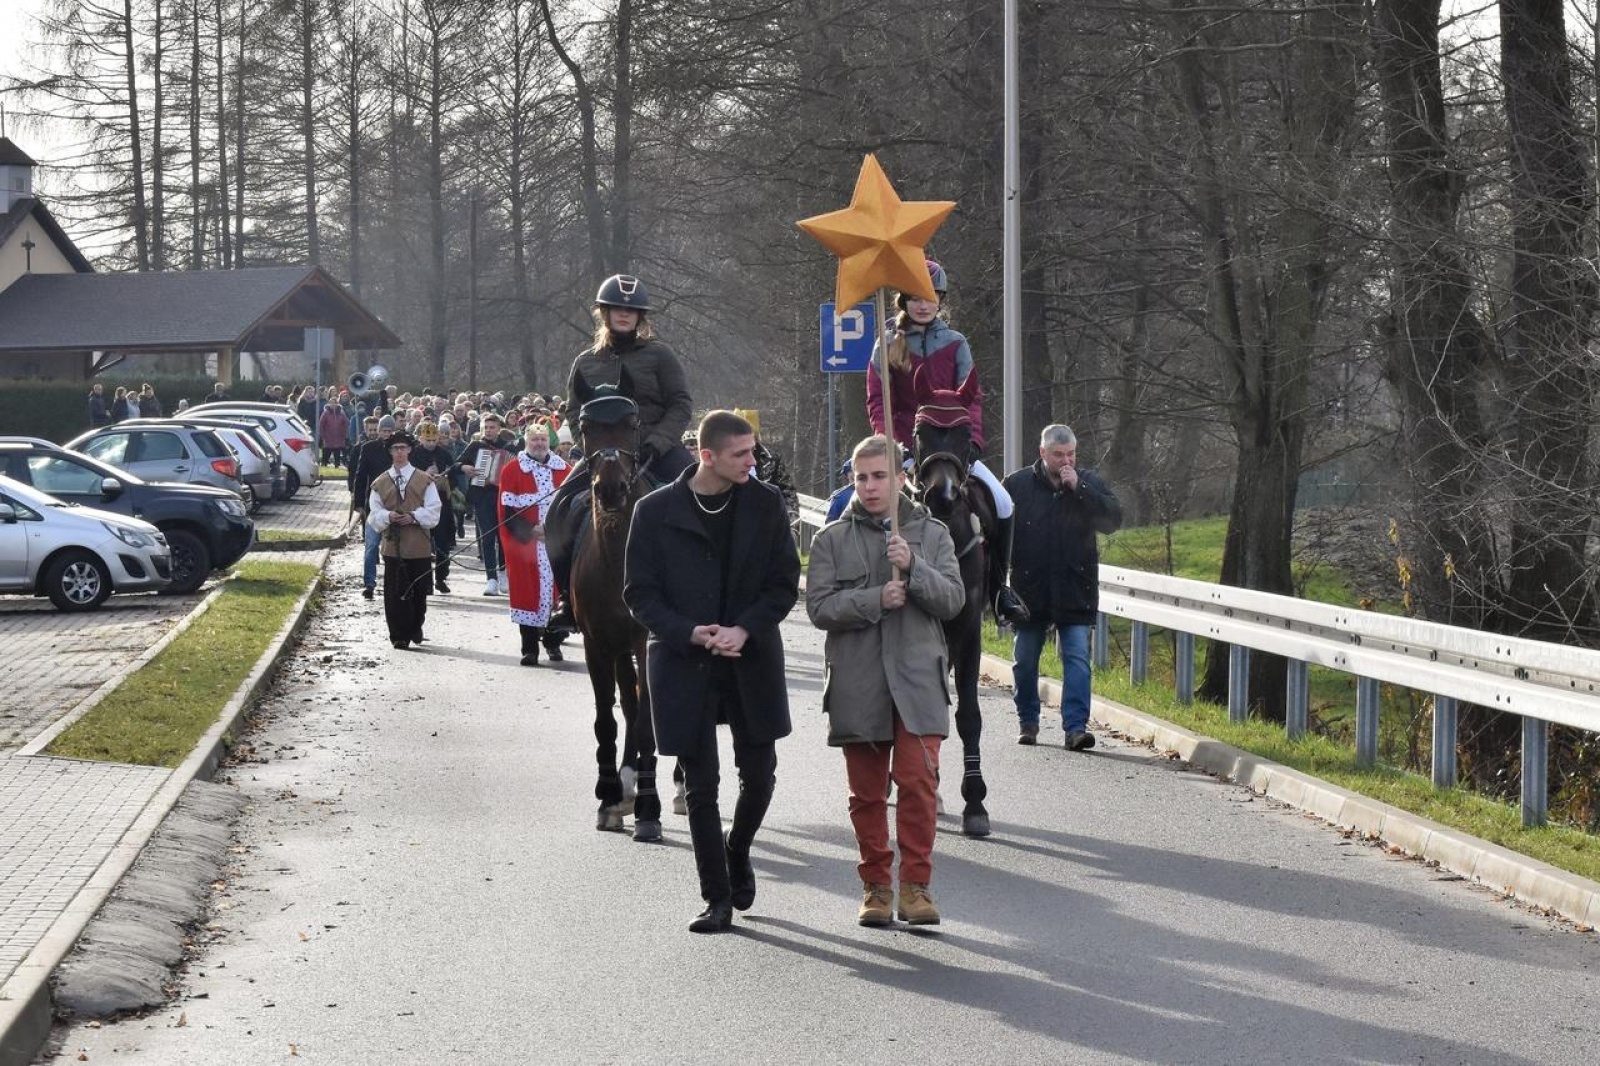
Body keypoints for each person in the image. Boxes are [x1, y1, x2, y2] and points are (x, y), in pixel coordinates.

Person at [623, 410, 800, 934]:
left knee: (760, 776)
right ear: (707, 455)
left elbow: (783, 583)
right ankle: (716, 897)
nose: (753, 461)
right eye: (741, 454)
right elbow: (639, 592)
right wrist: (688, 631)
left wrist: (744, 629)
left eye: (754, 451)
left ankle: (736, 848)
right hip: (684, 659)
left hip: (750, 656)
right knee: (702, 785)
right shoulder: (655, 511)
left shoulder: (765, 504)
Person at [805, 434, 965, 927]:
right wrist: (876, 598)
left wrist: (914, 568)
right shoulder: (830, 539)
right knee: (867, 794)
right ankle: (875, 886)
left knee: (918, 783)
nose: (871, 487)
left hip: (918, 681)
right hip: (859, 682)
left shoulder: (932, 535)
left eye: (880, 477)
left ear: (901, 478)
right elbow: (819, 608)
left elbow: (954, 601)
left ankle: (916, 888)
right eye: (861, 478)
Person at [867, 258, 1027, 625]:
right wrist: (892, 445)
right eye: (916, 297)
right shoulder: (886, 343)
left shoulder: (956, 343)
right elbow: (878, 400)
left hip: (953, 445)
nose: (924, 304)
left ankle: (999, 591)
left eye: (932, 297)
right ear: (903, 300)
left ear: (941, 299)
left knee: (1003, 503)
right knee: (857, 502)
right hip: (905, 445)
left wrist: (971, 442)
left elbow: (972, 399)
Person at [547, 274, 694, 630]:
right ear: (605, 313)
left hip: (655, 448)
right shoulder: (585, 361)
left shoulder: (659, 355)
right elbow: (573, 410)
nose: (624, 315)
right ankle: (568, 599)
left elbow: (680, 404)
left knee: (696, 504)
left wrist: (658, 442)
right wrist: (593, 450)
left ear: (640, 316)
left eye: (631, 310)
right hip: (603, 454)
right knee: (556, 513)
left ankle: (696, 595)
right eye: (617, 308)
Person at [1003, 424, 1123, 749]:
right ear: (1043, 453)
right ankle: (1028, 721)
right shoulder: (1017, 485)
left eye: (1070, 454)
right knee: (1025, 660)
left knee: (1077, 660)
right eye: (1058, 455)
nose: (1065, 460)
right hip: (1030, 591)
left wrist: (1080, 489)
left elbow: (1113, 521)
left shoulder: (1088, 483)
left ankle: (1075, 728)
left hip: (1075, 587)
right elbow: (998, 533)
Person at [498, 420, 570, 665]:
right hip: (526, 545)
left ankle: (553, 643)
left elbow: (575, 508)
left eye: (543, 440)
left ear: (549, 442)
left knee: (562, 593)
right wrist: (532, 531)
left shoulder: (565, 470)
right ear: (526, 442)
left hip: (557, 543)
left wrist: (555, 531)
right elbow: (507, 513)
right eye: (534, 440)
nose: (539, 444)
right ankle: (529, 648)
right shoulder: (512, 470)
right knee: (527, 594)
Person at [367, 431, 442, 650]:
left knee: (418, 591)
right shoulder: (380, 482)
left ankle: (416, 626)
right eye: (395, 449)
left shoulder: (424, 480)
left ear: (409, 450)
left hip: (418, 545)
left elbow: (434, 511)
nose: (399, 453)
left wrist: (414, 516)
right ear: (390, 452)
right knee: (394, 592)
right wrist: (388, 516)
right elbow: (374, 513)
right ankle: (398, 635)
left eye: (403, 448)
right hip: (393, 545)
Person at [460, 413, 518, 596]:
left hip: (504, 497)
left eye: (492, 427)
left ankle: (503, 574)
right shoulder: (476, 446)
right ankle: (490, 578)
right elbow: (457, 463)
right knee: (487, 537)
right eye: (486, 427)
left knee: (503, 536)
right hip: (482, 496)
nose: (489, 430)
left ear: (499, 428)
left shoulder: (508, 448)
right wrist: (464, 467)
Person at [348, 414, 394, 599]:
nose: (386, 434)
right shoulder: (368, 448)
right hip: (373, 503)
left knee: (393, 547)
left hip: (395, 504)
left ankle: (392, 583)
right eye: (383, 430)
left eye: (390, 431)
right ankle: (369, 583)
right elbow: (360, 476)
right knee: (371, 545)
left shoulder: (400, 448)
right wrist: (358, 503)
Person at [410, 422, 458, 594]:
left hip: (441, 503)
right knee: (421, 543)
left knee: (442, 543)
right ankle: (424, 580)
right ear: (421, 438)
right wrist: (425, 475)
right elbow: (409, 478)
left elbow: (454, 477)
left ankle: (441, 578)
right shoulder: (414, 454)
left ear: (438, 437)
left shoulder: (445, 454)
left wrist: (445, 480)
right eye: (427, 440)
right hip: (420, 502)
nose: (430, 443)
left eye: (433, 439)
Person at [319, 399, 350, 468]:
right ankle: (324, 465)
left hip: (338, 439)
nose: (333, 405)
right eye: (331, 403)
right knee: (326, 456)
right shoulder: (325, 413)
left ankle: (337, 466)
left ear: (337, 404)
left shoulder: (341, 413)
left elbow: (346, 423)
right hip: (328, 439)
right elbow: (321, 424)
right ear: (329, 404)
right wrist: (322, 435)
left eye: (334, 403)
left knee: (337, 456)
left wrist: (344, 434)